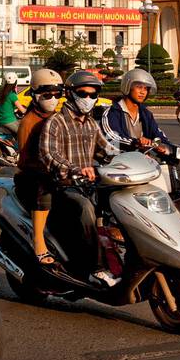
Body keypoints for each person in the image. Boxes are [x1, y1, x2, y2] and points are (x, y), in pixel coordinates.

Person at [37, 69, 116, 287]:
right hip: (64, 186)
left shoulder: (91, 123)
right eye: (83, 93)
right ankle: (96, 269)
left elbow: (106, 150)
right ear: (71, 94)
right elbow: (49, 154)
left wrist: (131, 155)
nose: (88, 99)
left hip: (90, 184)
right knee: (86, 209)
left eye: (93, 95)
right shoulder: (56, 122)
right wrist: (75, 169)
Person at [14, 68, 63, 266]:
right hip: (31, 177)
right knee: (44, 188)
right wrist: (51, 168)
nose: (53, 99)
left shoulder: (58, 118)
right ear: (35, 95)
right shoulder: (28, 122)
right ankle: (38, 242)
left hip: (60, 173)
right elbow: (26, 160)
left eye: (57, 94)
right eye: (47, 95)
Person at [104, 68, 172, 154]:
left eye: (146, 89)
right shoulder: (112, 112)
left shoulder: (146, 113)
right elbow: (112, 136)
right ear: (127, 86)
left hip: (140, 160)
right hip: (117, 160)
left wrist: (170, 147)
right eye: (139, 87)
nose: (143, 92)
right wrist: (136, 142)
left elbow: (157, 134)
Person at [0, 72, 21, 137]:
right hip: (9, 121)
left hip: (0, 121)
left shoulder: (1, 93)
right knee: (23, 133)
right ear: (15, 82)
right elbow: (22, 110)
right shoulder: (12, 95)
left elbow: (6, 106)